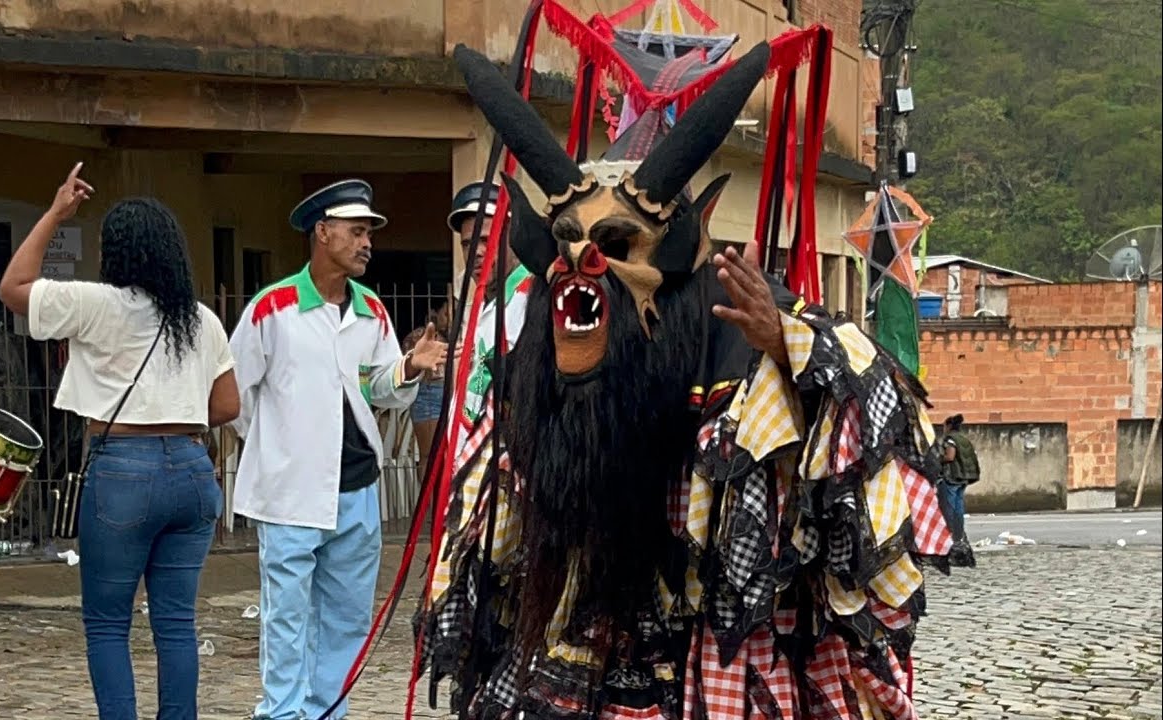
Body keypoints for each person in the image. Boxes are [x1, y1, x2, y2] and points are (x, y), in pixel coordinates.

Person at [415, 43, 971, 719]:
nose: (586, 265)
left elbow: (874, 410)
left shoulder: (744, 331)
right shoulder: (537, 360)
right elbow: (499, 524)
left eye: (617, 247)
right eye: (568, 245)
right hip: (590, 642)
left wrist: (787, 344)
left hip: (720, 651)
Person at [0, 164, 241, 720]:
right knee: (176, 621)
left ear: (116, 252)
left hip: (122, 472)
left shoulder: (95, 304)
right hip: (191, 470)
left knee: (108, 622)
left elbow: (13, 288)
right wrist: (175, 415)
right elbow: (228, 406)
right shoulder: (200, 319)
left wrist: (59, 211)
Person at [229, 179, 447, 720]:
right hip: (290, 492)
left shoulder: (372, 309)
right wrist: (280, 444)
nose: (366, 241)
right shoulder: (271, 309)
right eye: (355, 231)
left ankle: (330, 711)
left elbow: (379, 389)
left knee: (347, 617)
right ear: (322, 233)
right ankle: (281, 713)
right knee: (286, 615)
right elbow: (234, 396)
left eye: (369, 231)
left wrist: (410, 368)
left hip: (357, 491)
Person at [445, 181, 531, 457]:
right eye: (468, 244)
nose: (476, 253)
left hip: (509, 467)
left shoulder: (532, 297)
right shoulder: (482, 304)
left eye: (486, 240)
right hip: (471, 463)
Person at [402, 302, 451, 484]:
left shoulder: (453, 334)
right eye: (446, 313)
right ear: (433, 314)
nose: (449, 319)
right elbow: (406, 365)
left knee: (447, 455)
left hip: (449, 393)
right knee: (429, 455)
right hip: (428, 392)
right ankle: (429, 505)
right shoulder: (419, 336)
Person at [940, 413, 979, 549]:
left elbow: (950, 456)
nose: (943, 429)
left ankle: (951, 535)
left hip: (952, 477)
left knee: (949, 507)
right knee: (959, 507)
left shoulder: (950, 439)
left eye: (944, 426)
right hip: (963, 478)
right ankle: (959, 535)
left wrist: (938, 459)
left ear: (949, 426)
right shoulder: (963, 439)